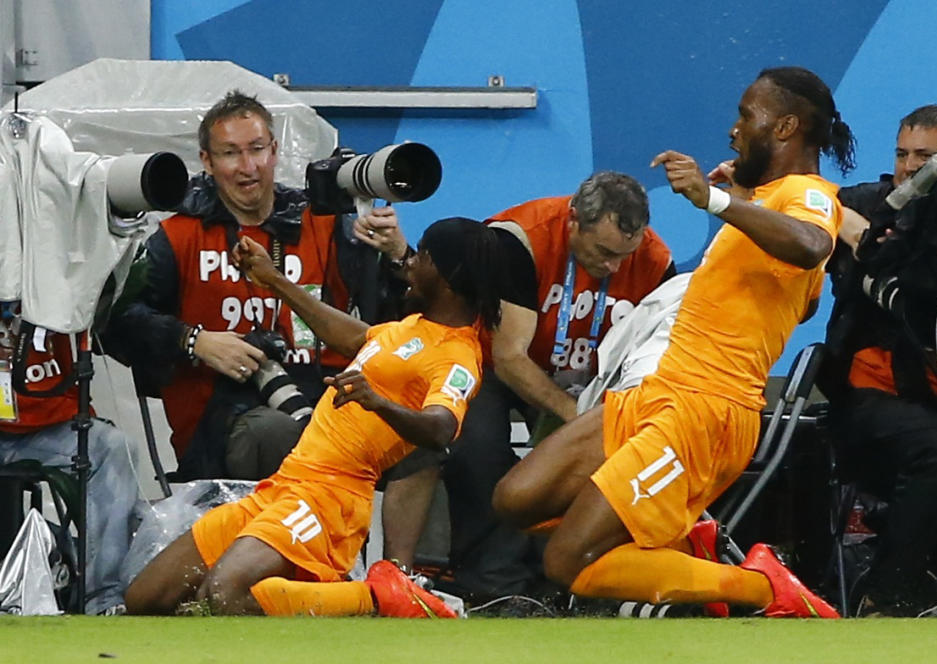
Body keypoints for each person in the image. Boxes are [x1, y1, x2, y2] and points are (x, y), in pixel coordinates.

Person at [493, 66, 854, 618]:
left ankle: (763, 588)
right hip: (660, 389)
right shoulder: (765, 202)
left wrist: (717, 201)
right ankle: (680, 542)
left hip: (703, 411)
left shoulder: (808, 195)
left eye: (746, 115)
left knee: (568, 563)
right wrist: (742, 201)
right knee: (517, 499)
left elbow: (808, 245)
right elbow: (797, 296)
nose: (734, 129)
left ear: (785, 127)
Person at [123, 217, 503, 617]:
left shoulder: (459, 355)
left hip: (331, 499)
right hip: (285, 484)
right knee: (145, 599)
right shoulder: (412, 328)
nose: (409, 263)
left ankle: (376, 597)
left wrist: (380, 402)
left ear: (449, 275)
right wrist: (274, 281)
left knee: (223, 595)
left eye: (422, 255)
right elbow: (354, 337)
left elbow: (442, 429)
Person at [381, 172, 675, 598]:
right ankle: (494, 586)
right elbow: (510, 356)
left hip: (590, 379)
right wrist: (575, 415)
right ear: (574, 220)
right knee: (477, 441)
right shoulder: (521, 239)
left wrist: (604, 417)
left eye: (624, 257)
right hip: (495, 367)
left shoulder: (656, 262)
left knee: (620, 449)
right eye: (605, 252)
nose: (614, 267)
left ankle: (579, 583)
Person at [107, 90, 409, 481]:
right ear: (207, 162)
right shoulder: (178, 235)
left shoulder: (324, 222)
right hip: (223, 419)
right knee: (279, 434)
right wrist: (194, 340)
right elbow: (119, 322)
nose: (247, 166)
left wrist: (399, 256)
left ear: (275, 151)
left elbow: (391, 322)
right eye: (230, 153)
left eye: (257, 149)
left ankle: (410, 548)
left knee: (418, 437)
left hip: (325, 396)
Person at [822, 104, 937, 616]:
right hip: (867, 405)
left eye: (925, 156)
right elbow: (811, 204)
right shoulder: (871, 205)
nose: (908, 167)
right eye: (902, 154)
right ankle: (883, 596)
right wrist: (859, 234)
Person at [0, 304, 139, 615]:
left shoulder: (58, 259)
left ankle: (104, 599)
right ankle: (50, 548)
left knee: (114, 448)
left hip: (47, 425)